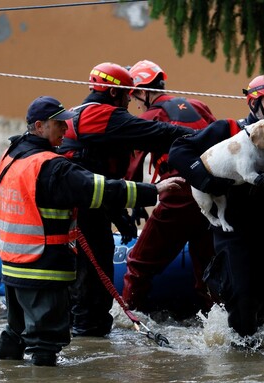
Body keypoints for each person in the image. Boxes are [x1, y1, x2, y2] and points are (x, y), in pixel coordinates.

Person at [0, 96, 184, 366]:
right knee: (46, 343)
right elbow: (100, 190)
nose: (65, 129)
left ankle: (7, 372)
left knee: (16, 332)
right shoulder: (51, 166)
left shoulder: (11, 155)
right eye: (59, 124)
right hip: (43, 268)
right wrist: (154, 190)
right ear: (39, 126)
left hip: (13, 267)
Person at [57, 62, 197, 337]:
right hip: (85, 214)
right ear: (113, 93)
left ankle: (82, 332)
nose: (130, 101)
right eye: (126, 95)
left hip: (79, 209)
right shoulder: (106, 116)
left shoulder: (79, 112)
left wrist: (119, 215)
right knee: (93, 285)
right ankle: (90, 342)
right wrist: (204, 136)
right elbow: (159, 134)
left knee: (83, 281)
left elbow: (99, 173)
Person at [168, 74, 264, 341]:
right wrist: (205, 179)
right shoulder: (226, 130)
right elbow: (179, 151)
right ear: (253, 103)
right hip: (235, 232)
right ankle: (239, 366)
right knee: (241, 298)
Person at [122, 60, 218, 314]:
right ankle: (218, 323)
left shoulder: (150, 116)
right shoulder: (198, 106)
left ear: (143, 91)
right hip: (214, 194)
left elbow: (133, 163)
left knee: (138, 264)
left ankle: (131, 318)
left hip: (180, 196)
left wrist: (133, 202)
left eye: (135, 97)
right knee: (207, 269)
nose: (137, 103)